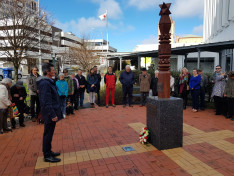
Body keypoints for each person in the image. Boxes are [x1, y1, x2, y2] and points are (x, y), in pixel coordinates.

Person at [37, 63, 63, 163]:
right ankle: (47, 155)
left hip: (51, 112)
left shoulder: (48, 82)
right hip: (49, 114)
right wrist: (52, 115)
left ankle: (48, 151)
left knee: (49, 133)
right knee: (48, 134)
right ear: (47, 72)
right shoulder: (45, 83)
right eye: (53, 70)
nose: (54, 72)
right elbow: (46, 101)